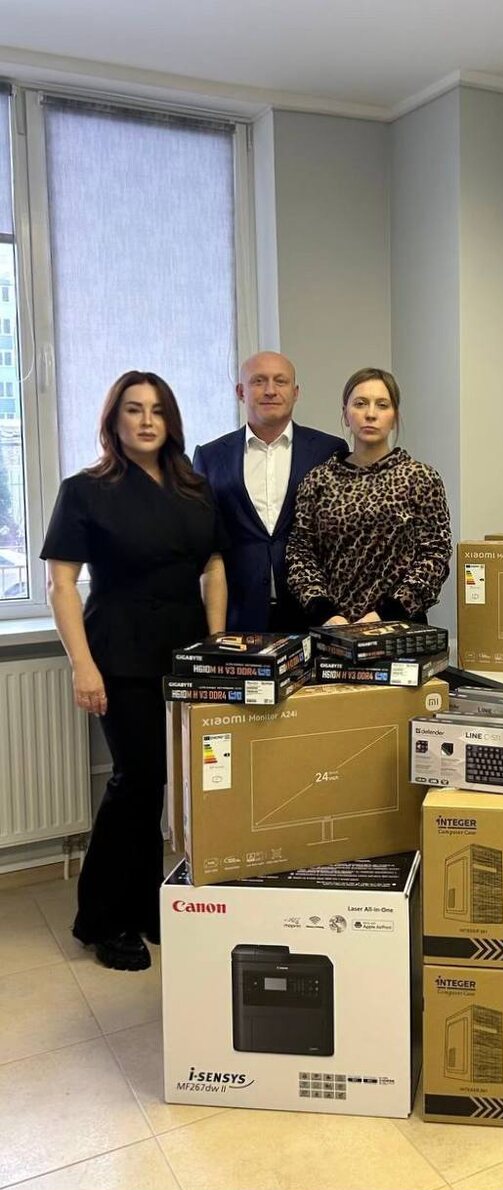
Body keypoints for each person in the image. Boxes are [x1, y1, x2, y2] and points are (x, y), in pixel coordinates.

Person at [42, 371, 228, 972]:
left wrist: (216, 644)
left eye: (157, 410)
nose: (146, 421)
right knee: (134, 781)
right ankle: (102, 920)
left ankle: (148, 904)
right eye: (133, 409)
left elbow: (213, 565)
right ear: (113, 420)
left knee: (160, 784)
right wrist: (83, 666)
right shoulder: (85, 490)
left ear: (170, 420)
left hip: (185, 653)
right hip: (118, 653)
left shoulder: (194, 488)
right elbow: (61, 584)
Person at [192, 351, 347, 632]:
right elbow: (206, 547)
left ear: (295, 392)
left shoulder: (329, 451)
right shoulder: (210, 457)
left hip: (316, 617)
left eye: (280, 381)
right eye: (258, 381)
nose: (270, 390)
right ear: (241, 392)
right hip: (239, 621)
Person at [285, 367, 452, 626]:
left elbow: (436, 554)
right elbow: (300, 553)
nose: (370, 414)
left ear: (395, 416)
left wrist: (387, 614)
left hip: (399, 627)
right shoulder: (319, 480)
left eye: (382, 405)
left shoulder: (420, 478)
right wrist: (326, 614)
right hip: (334, 630)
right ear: (345, 414)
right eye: (360, 404)